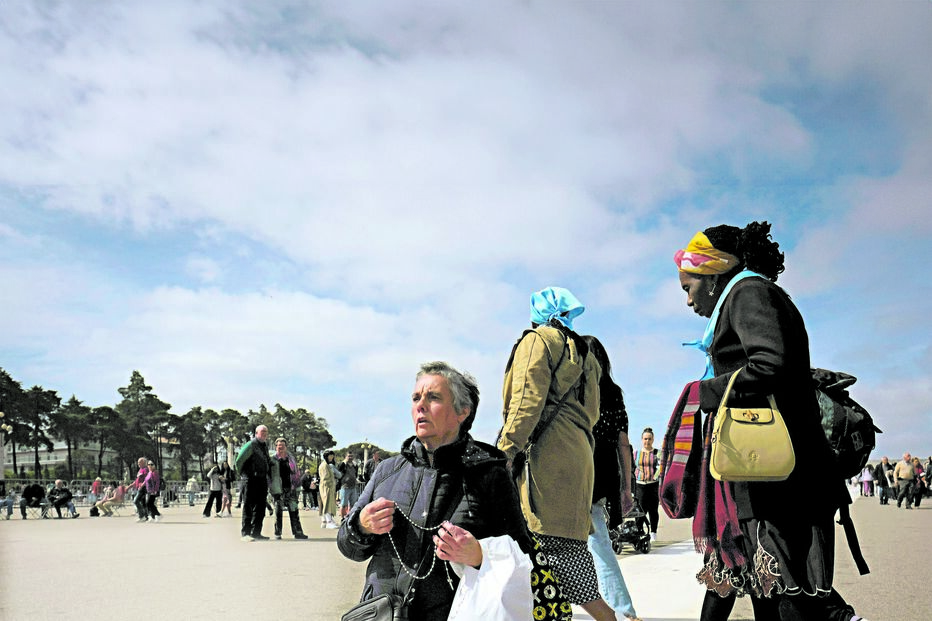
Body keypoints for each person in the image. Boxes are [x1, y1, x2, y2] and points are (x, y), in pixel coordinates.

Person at [674, 221, 862, 621]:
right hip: (778, 475)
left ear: (712, 276)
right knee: (777, 592)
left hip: (785, 479)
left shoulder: (748, 293)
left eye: (688, 288)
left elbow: (769, 362)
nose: (688, 301)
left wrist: (704, 392)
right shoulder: (751, 294)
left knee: (789, 596)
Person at [338, 361, 531, 621]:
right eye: (416, 397)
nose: (420, 405)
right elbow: (349, 547)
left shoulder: (490, 475)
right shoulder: (386, 471)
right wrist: (360, 526)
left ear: (463, 411)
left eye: (434, 397)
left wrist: (479, 555)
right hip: (382, 613)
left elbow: (523, 556)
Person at [497, 286, 617, 621]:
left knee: (539, 565)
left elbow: (525, 403)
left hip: (546, 461)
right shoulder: (584, 352)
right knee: (574, 570)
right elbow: (591, 414)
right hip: (577, 458)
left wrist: (503, 453)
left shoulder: (537, 340)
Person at [583, 335, 641, 621]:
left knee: (594, 547)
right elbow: (623, 443)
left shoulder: (575, 388)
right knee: (598, 546)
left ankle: (623, 613)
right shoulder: (613, 391)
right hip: (604, 472)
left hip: (580, 469)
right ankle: (620, 611)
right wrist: (627, 488)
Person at [235, 425, 273, 541]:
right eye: (262, 432)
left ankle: (256, 532)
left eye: (266, 432)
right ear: (256, 433)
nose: (264, 434)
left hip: (262, 479)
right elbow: (239, 461)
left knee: (261, 507)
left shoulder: (264, 446)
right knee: (248, 506)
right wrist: (244, 475)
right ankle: (245, 533)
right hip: (250, 479)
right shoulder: (250, 445)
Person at [270, 438, 308, 540]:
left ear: (286, 447)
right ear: (276, 447)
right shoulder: (272, 459)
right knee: (278, 512)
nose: (281, 447)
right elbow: (268, 475)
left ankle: (298, 532)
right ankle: (278, 533)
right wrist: (270, 488)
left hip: (291, 488)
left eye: (282, 445)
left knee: (294, 511)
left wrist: (297, 486)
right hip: (278, 489)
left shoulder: (291, 458)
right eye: (279, 445)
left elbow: (296, 473)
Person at [633, 428, 661, 542]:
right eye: (645, 439)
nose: (647, 441)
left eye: (649, 439)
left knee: (653, 510)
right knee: (640, 510)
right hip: (640, 485)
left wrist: (655, 476)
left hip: (653, 485)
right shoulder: (636, 453)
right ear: (642, 439)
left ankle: (653, 532)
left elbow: (662, 466)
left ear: (653, 439)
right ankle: (639, 530)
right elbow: (632, 467)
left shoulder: (657, 453)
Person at [318, 451, 338, 528]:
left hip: (329, 487)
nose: (331, 457)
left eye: (332, 456)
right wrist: (331, 483)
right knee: (327, 504)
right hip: (326, 487)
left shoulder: (327, 465)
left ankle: (326, 520)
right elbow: (325, 478)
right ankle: (328, 522)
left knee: (328, 504)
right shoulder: (324, 466)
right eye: (330, 456)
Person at [337, 452, 360, 519]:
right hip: (345, 487)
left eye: (351, 456)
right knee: (343, 504)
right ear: (345, 456)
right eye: (349, 456)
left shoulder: (355, 465)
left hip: (353, 487)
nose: (350, 457)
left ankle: (350, 518)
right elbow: (338, 474)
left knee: (353, 504)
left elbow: (355, 474)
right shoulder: (342, 464)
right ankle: (342, 518)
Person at [129, 457, 149, 522]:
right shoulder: (140, 470)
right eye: (138, 462)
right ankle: (146, 516)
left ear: (143, 462)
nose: (138, 463)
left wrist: (142, 485)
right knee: (143, 503)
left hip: (143, 488)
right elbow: (137, 480)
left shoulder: (145, 469)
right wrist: (130, 486)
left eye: (139, 462)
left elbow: (147, 479)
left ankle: (142, 516)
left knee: (136, 500)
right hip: (139, 487)